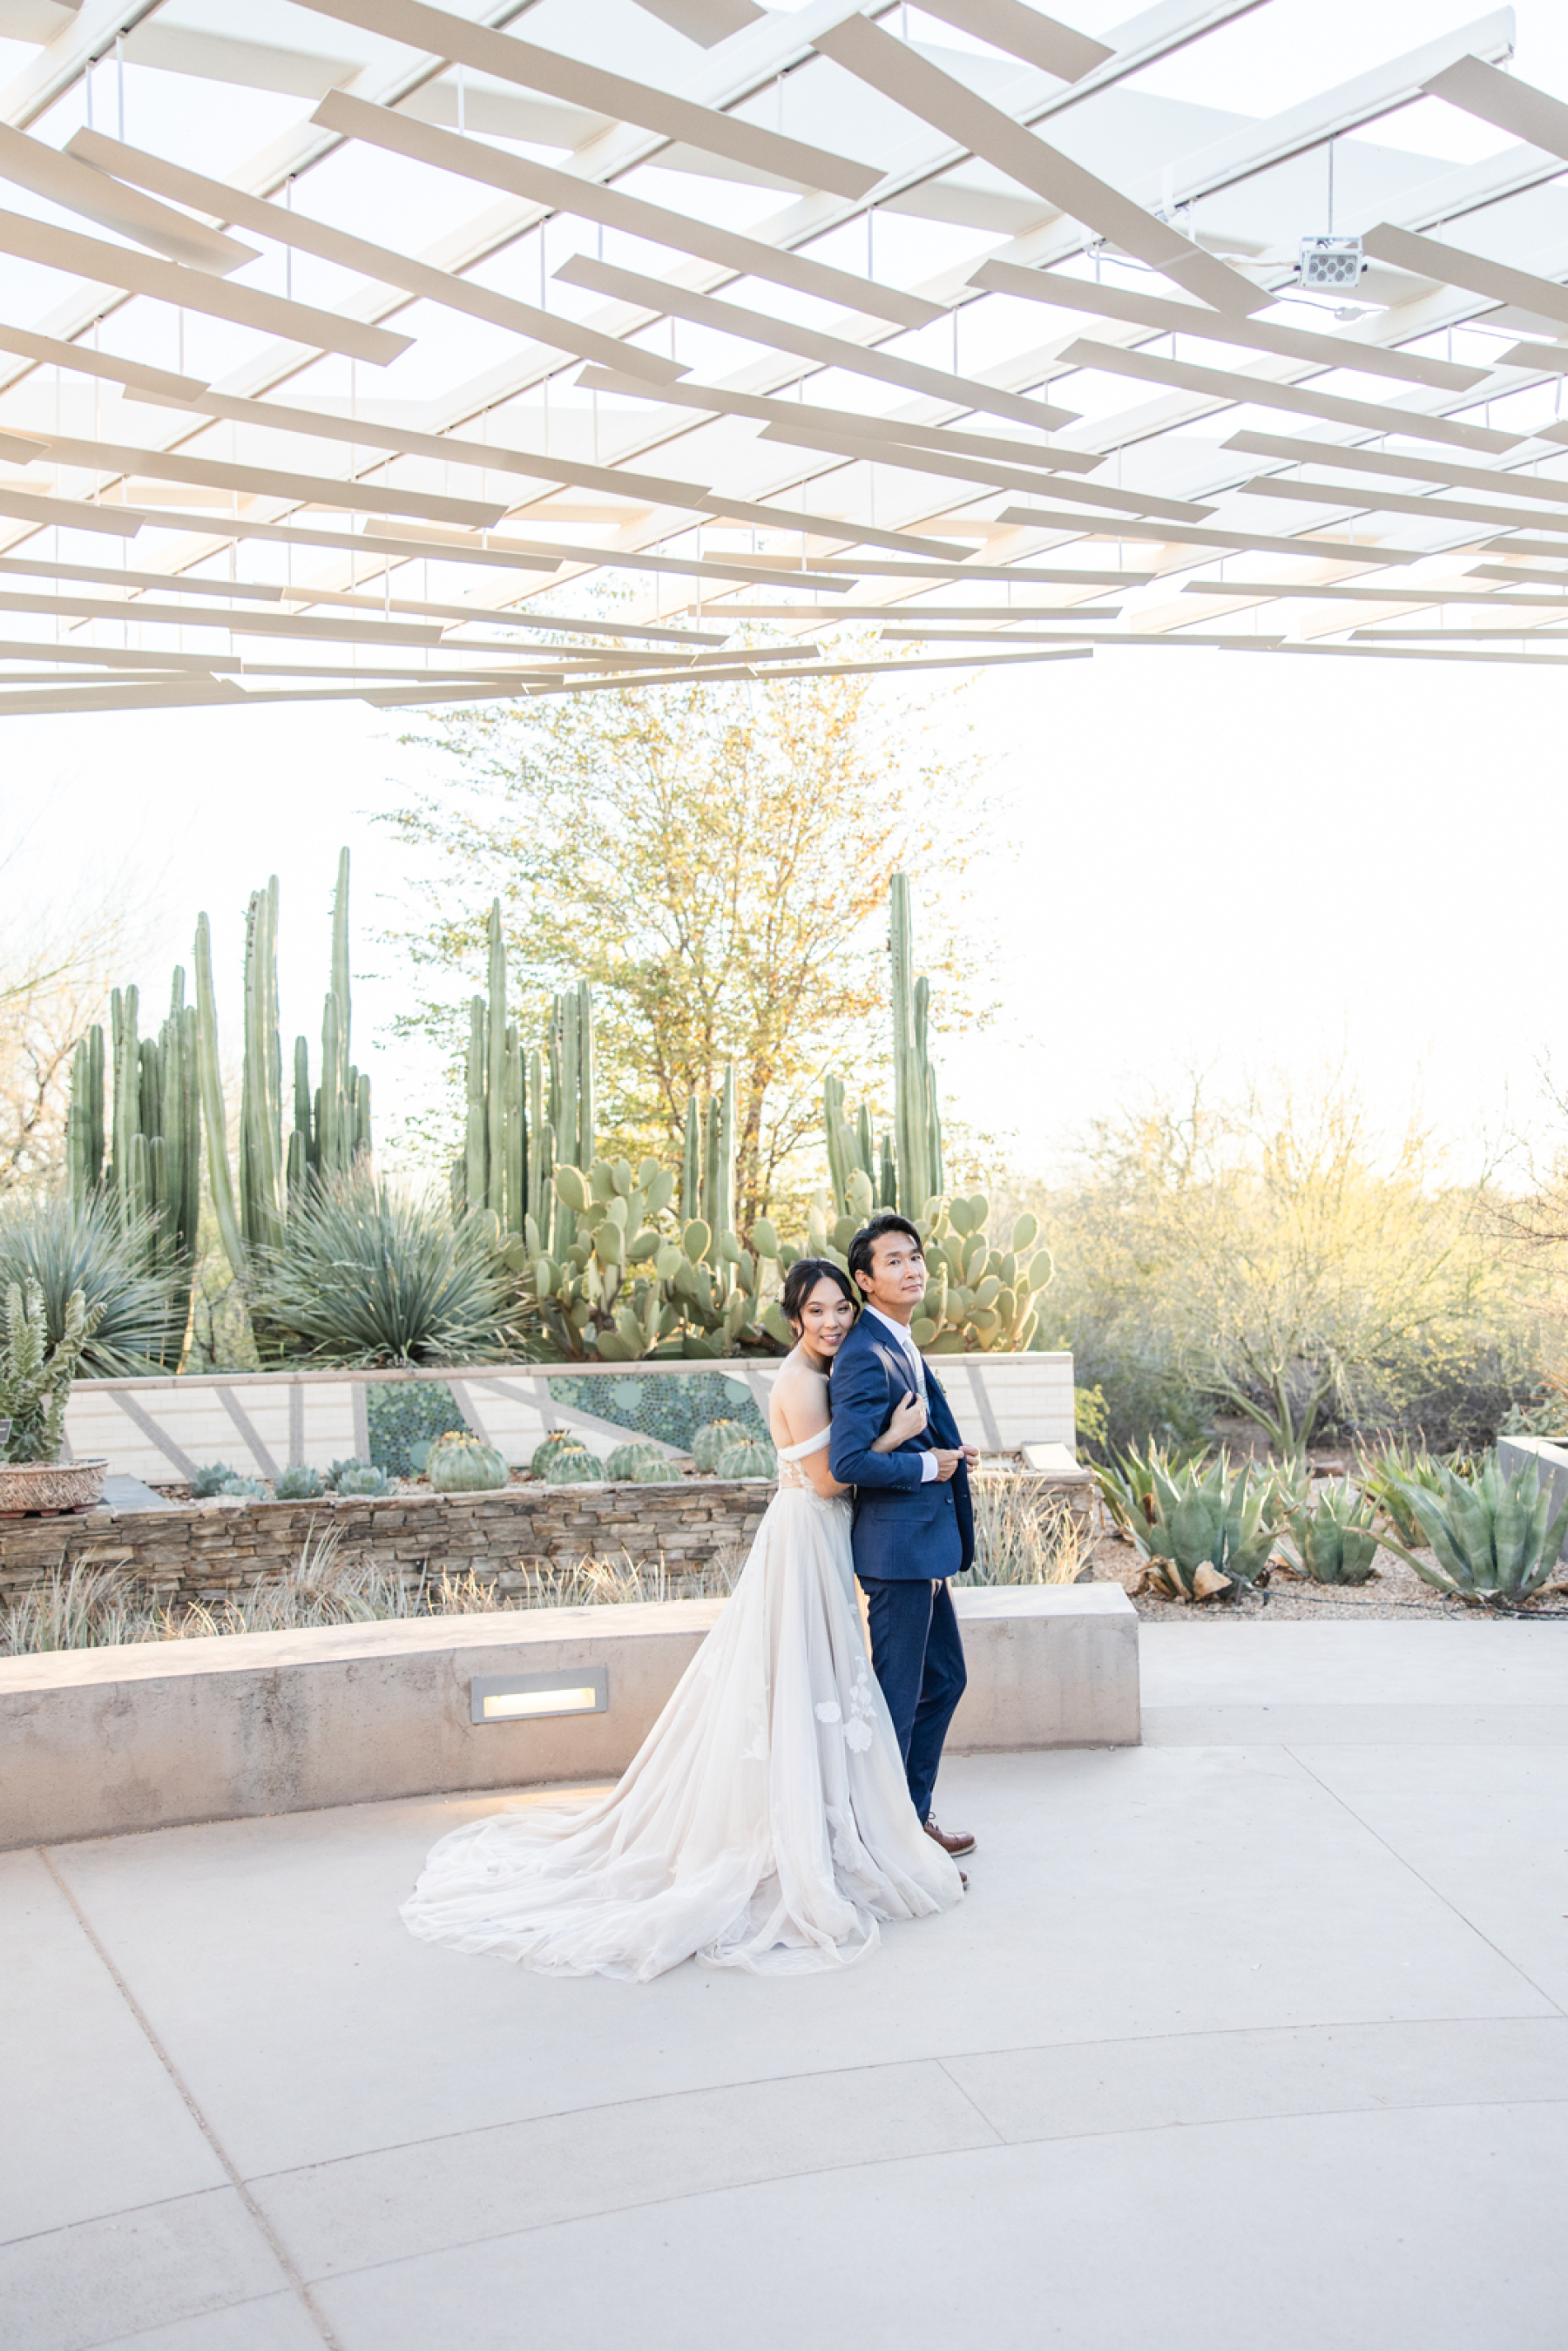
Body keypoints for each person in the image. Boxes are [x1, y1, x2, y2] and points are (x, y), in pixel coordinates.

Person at [400, 1258, 963, 1981]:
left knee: (815, 1675)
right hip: (804, 1530)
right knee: (797, 1671)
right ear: (793, 1318)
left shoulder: (820, 1373)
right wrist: (900, 1436)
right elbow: (829, 1476)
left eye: (840, 1311)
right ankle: (802, 1826)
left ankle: (830, 1812)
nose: (832, 1322)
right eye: (817, 1311)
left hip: (817, 1535)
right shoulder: (798, 1379)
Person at [828, 1213, 980, 1861]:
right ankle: (887, 1844)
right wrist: (928, 1464)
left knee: (943, 1679)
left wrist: (948, 1450)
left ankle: (910, 1816)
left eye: (914, 1256)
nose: (911, 1268)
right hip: (896, 1552)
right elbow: (848, 1461)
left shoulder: (900, 1342)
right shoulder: (864, 1353)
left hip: (922, 1547)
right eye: (892, 1260)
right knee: (897, 1701)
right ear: (864, 1280)